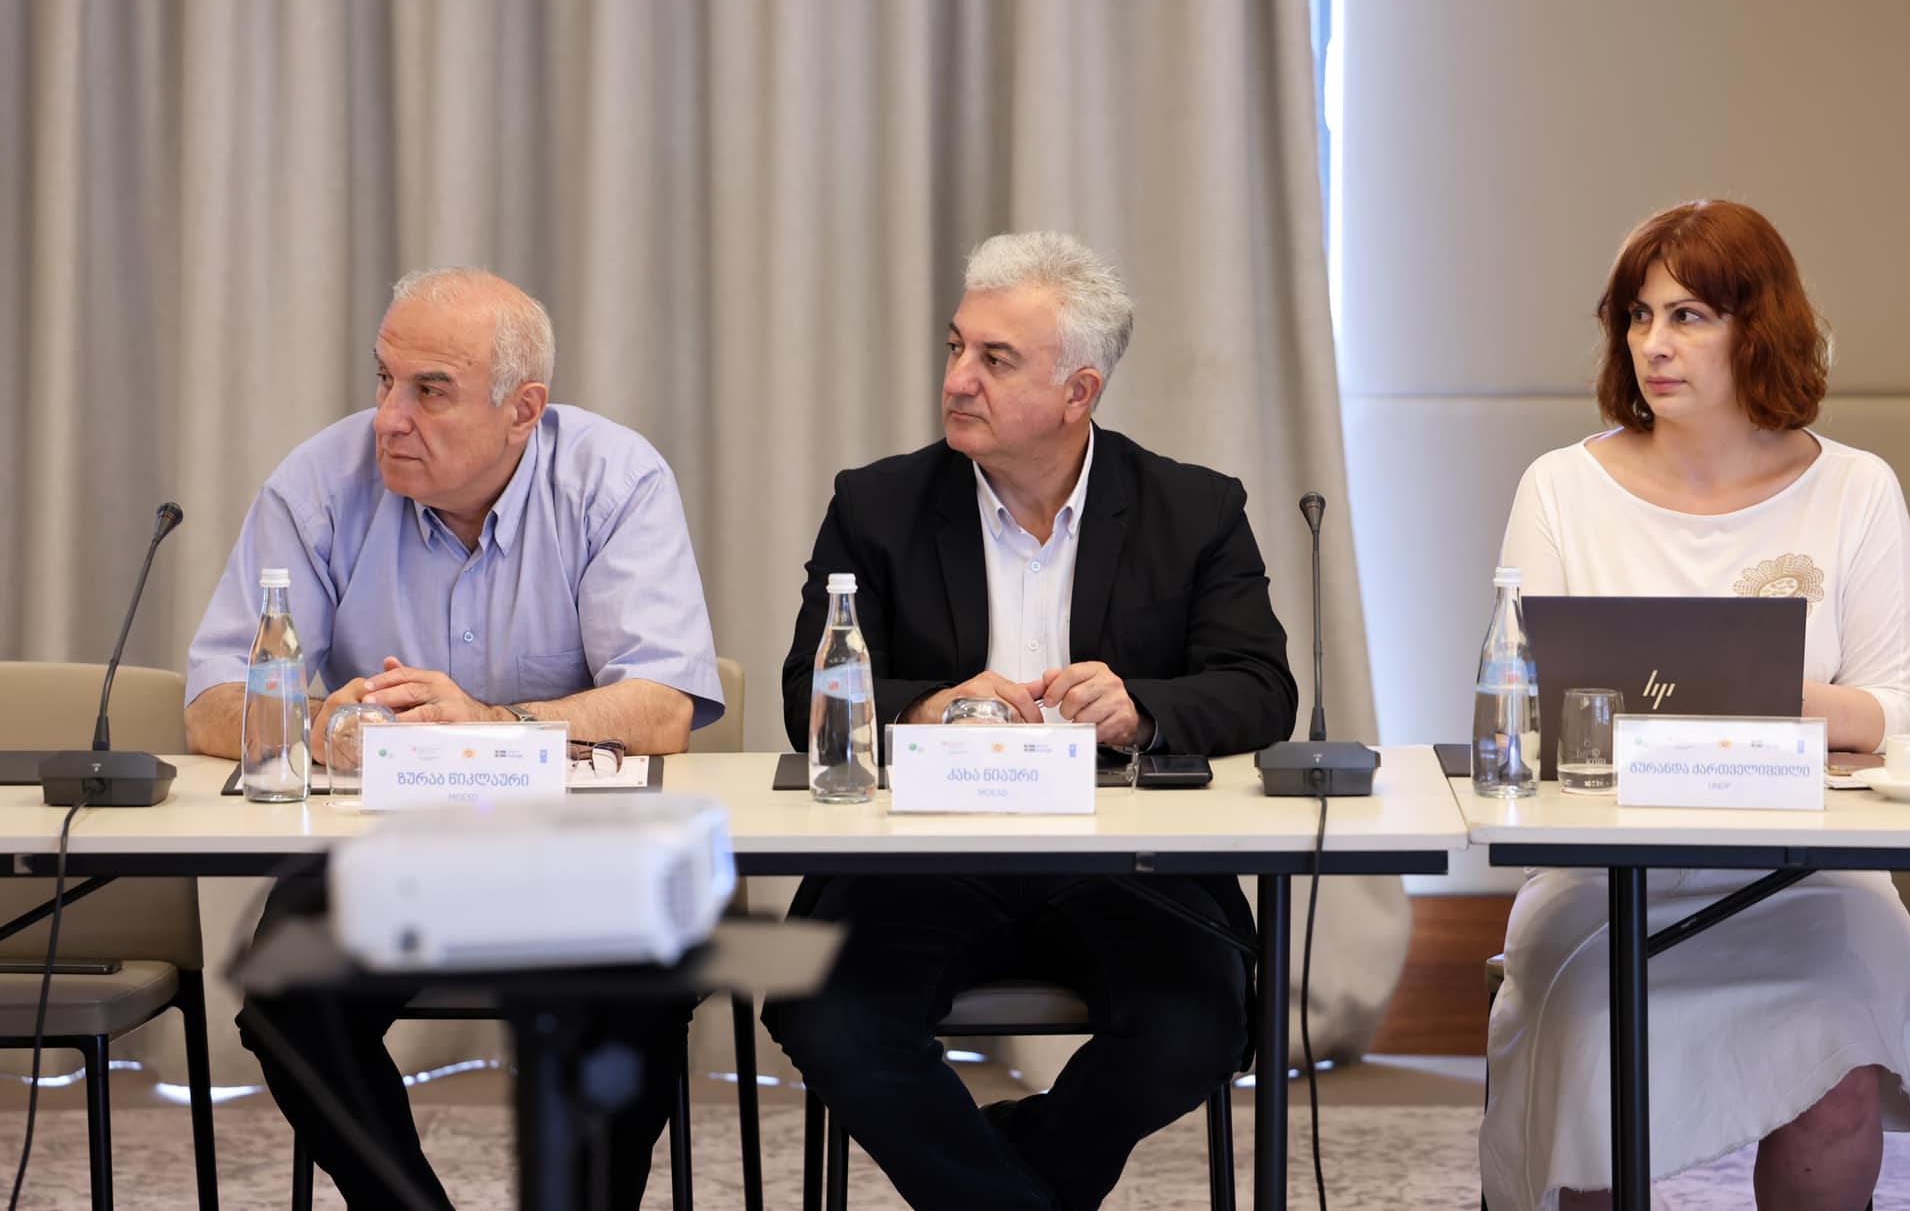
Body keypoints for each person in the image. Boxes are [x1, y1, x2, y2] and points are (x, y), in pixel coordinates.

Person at [764, 230, 1299, 1211]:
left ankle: (1007, 1177)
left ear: (1077, 391)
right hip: (917, 856)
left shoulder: (1193, 509)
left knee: (1195, 1026)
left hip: (1125, 860)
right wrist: (928, 707)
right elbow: (809, 693)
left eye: (995, 359)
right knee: (829, 1014)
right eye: (956, 347)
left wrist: (1142, 709)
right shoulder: (877, 505)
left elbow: (1261, 687)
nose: (956, 379)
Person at [185, 266, 724, 1211]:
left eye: (430, 391)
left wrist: (492, 725)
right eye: (384, 379)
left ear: (524, 410)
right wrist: (321, 726)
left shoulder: (613, 478)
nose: (390, 417)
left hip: (581, 840)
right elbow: (212, 702)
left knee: (641, 985)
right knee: (287, 996)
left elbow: (662, 705)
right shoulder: (319, 482)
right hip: (385, 844)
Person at [1478, 201, 1910, 1211]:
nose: (1653, 344)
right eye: (1637, 316)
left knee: (1837, 1066)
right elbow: (1529, 710)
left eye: (1687, 316)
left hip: (1808, 872)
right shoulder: (1559, 486)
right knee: (1589, 1051)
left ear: (1757, 329)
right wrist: (1741, 701)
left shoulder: (1857, 488)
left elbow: (1889, 712)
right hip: (1603, 868)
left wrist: (1735, 692)